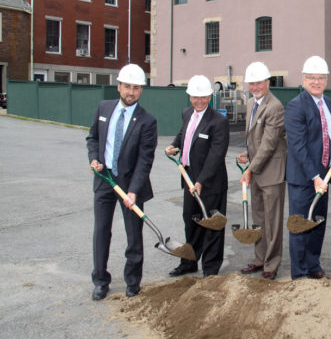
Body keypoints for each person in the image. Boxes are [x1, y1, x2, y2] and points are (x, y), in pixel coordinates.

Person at [86, 64, 157, 300]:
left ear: (141, 91)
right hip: (104, 179)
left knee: (134, 235)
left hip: (130, 184)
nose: (131, 92)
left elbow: (145, 160)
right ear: (118, 86)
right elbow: (93, 138)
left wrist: (134, 191)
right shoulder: (103, 108)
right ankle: (100, 280)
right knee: (101, 231)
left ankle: (132, 282)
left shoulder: (147, 120)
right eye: (127, 86)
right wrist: (94, 158)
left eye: (136, 88)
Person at [165, 75, 229, 278]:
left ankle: (210, 269)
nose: (199, 101)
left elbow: (216, 155)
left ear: (210, 97)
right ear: (189, 97)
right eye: (195, 97)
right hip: (189, 176)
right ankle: (189, 262)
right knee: (190, 221)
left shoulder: (218, 121)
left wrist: (201, 181)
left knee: (212, 225)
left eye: (203, 97)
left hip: (210, 182)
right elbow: (184, 132)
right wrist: (174, 144)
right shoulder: (187, 113)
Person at [284, 56, 331, 280]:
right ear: (303, 79)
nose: (316, 82)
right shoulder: (296, 106)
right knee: (300, 226)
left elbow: (327, 136)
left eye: (320, 78)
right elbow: (298, 146)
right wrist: (315, 176)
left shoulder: (329, 103)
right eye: (311, 78)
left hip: (324, 177)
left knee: (318, 223)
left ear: (326, 79)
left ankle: (313, 265)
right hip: (305, 179)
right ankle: (300, 273)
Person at [237, 62, 287, 280]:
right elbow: (254, 139)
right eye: (252, 83)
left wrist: (249, 169)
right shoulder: (251, 103)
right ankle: (259, 259)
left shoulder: (275, 106)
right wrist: (247, 155)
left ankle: (271, 264)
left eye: (259, 82)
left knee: (272, 221)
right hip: (257, 168)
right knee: (258, 218)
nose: (255, 86)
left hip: (272, 172)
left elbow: (269, 144)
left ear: (268, 82)